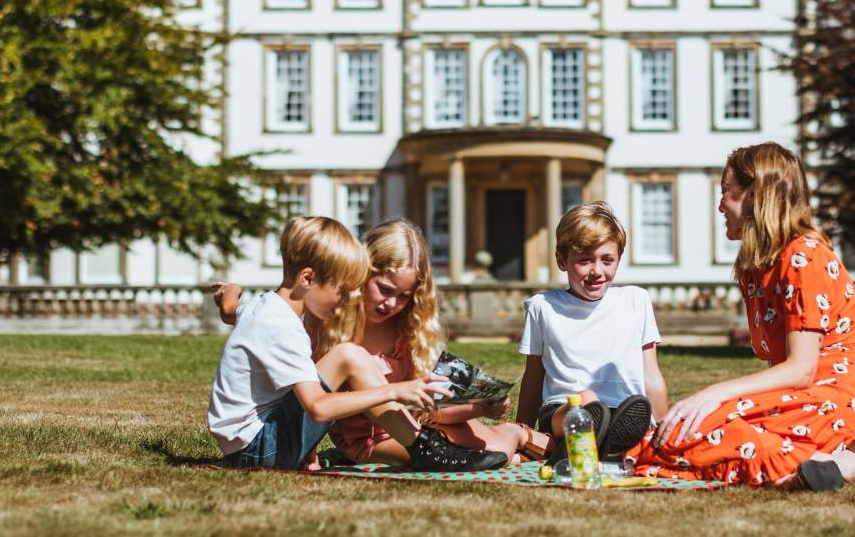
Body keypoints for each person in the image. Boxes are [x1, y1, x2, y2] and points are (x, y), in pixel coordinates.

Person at [625, 142, 855, 490]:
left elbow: (801, 368)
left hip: (835, 400)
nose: (720, 205)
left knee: (696, 430)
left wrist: (716, 393)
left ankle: (850, 462)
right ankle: (809, 470)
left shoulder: (804, 256)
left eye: (727, 192)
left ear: (755, 197)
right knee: (677, 432)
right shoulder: (757, 266)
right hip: (799, 397)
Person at [204, 216, 503, 472]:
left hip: (253, 445)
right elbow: (318, 408)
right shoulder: (284, 325)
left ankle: (426, 448)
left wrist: (229, 294)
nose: (345, 300)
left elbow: (233, 312)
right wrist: (394, 390)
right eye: (341, 290)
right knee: (348, 355)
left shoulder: (264, 306)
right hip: (259, 451)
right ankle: (425, 450)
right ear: (308, 278)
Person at [317, 220, 545, 465]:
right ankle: (518, 438)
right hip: (369, 442)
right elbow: (310, 401)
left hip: (419, 428)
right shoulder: (333, 325)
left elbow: (428, 412)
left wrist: (481, 408)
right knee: (493, 456)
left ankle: (523, 434)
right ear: (363, 273)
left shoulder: (406, 332)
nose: (391, 304)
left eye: (404, 296)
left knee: (494, 447)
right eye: (384, 289)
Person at [513, 202, 667, 464]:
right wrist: (523, 430)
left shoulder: (636, 300)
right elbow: (533, 377)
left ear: (619, 258)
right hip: (565, 410)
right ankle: (599, 440)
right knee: (585, 401)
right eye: (584, 261)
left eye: (607, 260)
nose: (597, 271)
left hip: (623, 411)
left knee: (631, 407)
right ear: (562, 260)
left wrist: (664, 433)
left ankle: (601, 443)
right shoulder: (543, 307)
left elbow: (651, 375)